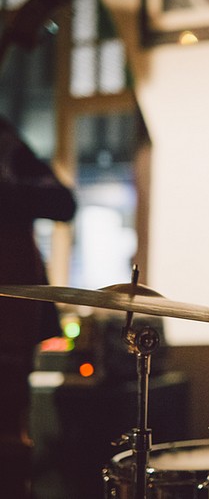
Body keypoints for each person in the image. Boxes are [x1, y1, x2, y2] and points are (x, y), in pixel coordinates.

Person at [0, 115, 76, 497]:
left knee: (13, 436)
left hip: (13, 322)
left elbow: (63, 202)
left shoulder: (7, 141)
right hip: (13, 319)